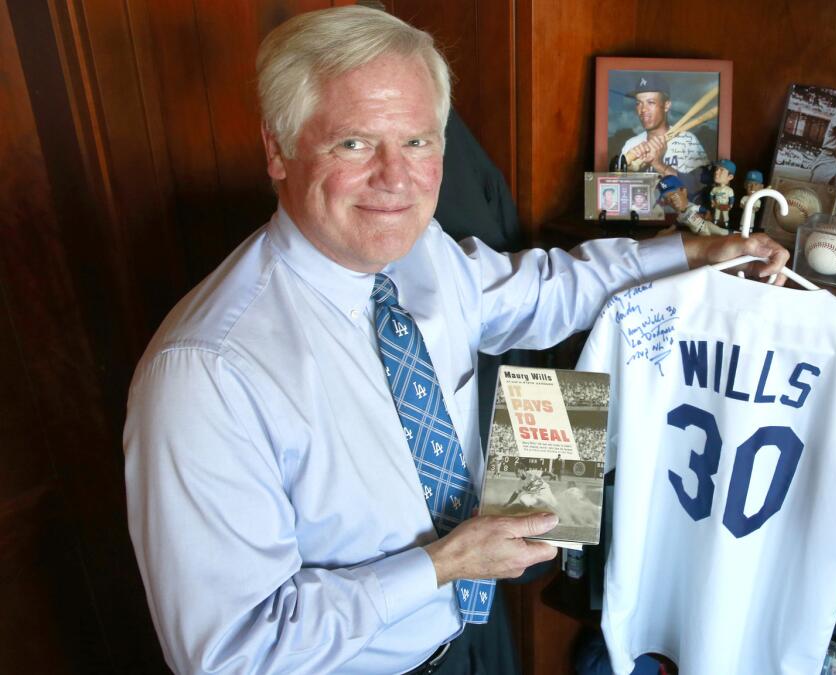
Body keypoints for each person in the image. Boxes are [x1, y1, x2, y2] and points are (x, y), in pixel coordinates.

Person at [122, 7, 788, 675]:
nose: (395, 177)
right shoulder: (203, 374)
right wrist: (444, 563)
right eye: (354, 143)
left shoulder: (420, 254)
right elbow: (230, 655)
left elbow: (543, 292)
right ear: (278, 149)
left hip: (474, 635)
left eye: (418, 142)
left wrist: (697, 253)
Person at [617, 74, 710, 183]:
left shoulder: (687, 140)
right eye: (639, 103)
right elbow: (619, 189)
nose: (643, 110)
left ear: (666, 105)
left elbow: (701, 186)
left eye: (650, 102)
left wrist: (658, 164)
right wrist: (630, 173)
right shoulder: (631, 145)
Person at [659, 175, 728, 236]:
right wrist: (668, 231)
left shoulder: (692, 207)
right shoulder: (680, 216)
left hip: (706, 224)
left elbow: (704, 210)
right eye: (667, 199)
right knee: (706, 241)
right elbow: (675, 225)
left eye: (674, 195)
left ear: (683, 191)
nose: (671, 201)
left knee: (722, 232)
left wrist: (708, 214)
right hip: (699, 232)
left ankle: (737, 234)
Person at [709, 159, 737, 228]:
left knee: (725, 216)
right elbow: (711, 195)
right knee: (716, 215)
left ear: (730, 177)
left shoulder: (729, 190)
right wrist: (712, 201)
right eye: (716, 169)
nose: (716, 172)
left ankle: (726, 225)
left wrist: (730, 205)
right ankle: (715, 224)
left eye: (721, 170)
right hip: (717, 204)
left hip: (725, 204)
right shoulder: (715, 189)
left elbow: (731, 198)